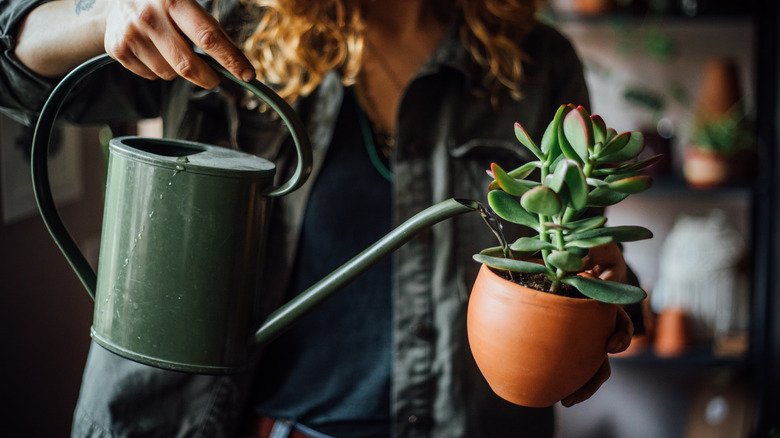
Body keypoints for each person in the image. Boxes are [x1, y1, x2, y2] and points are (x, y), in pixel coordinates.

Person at [1, 0, 640, 436]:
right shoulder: (221, 26)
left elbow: (577, 236)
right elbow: (13, 70)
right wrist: (111, 13)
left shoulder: (537, 61)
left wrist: (593, 287)